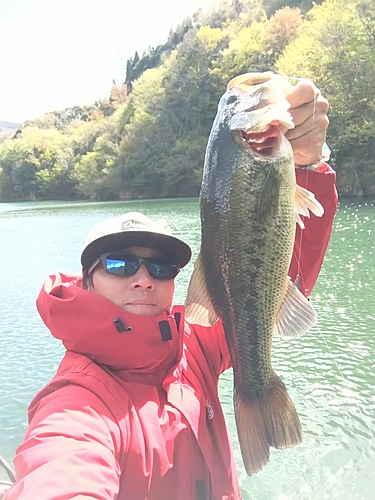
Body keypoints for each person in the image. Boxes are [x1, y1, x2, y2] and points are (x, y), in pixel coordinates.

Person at [3, 80, 338, 500]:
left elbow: (280, 274)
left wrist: (309, 167)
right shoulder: (76, 403)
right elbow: (60, 469)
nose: (143, 278)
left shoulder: (192, 346)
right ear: (87, 279)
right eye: (120, 264)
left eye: (160, 266)